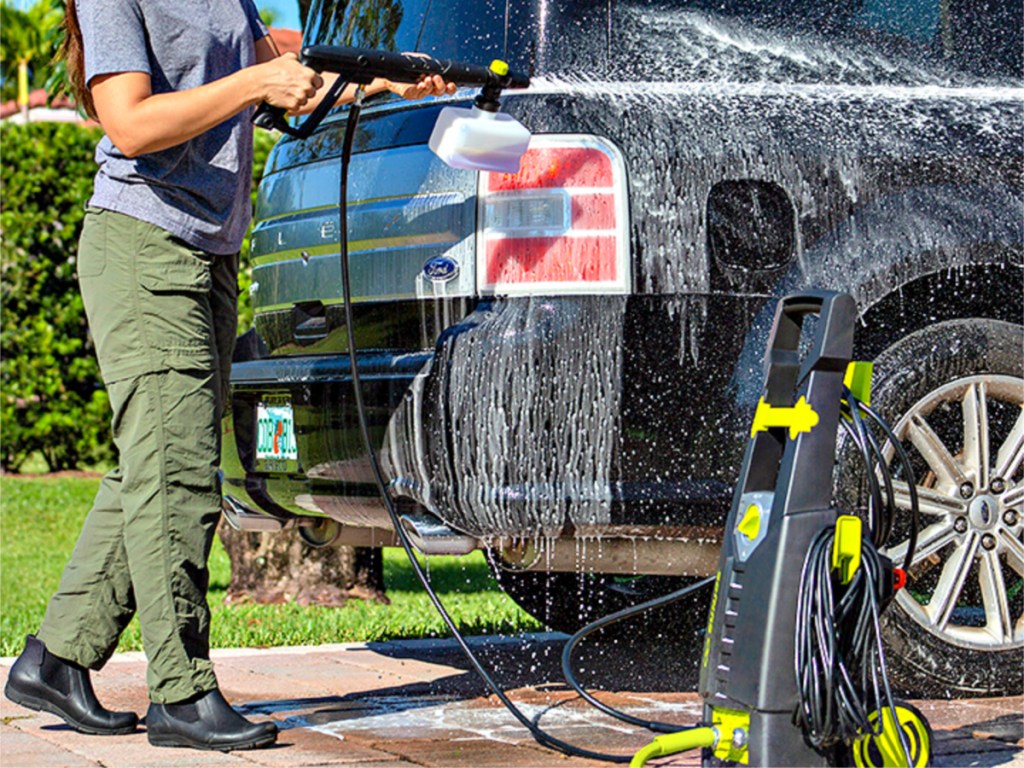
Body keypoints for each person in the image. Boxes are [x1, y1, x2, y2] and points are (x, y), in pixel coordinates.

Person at [3, 0, 455, 752]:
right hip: (143, 243)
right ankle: (182, 692)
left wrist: (383, 86)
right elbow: (131, 122)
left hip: (205, 250)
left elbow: (285, 80)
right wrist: (254, 83)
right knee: (176, 472)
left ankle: (58, 656)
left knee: (151, 464)